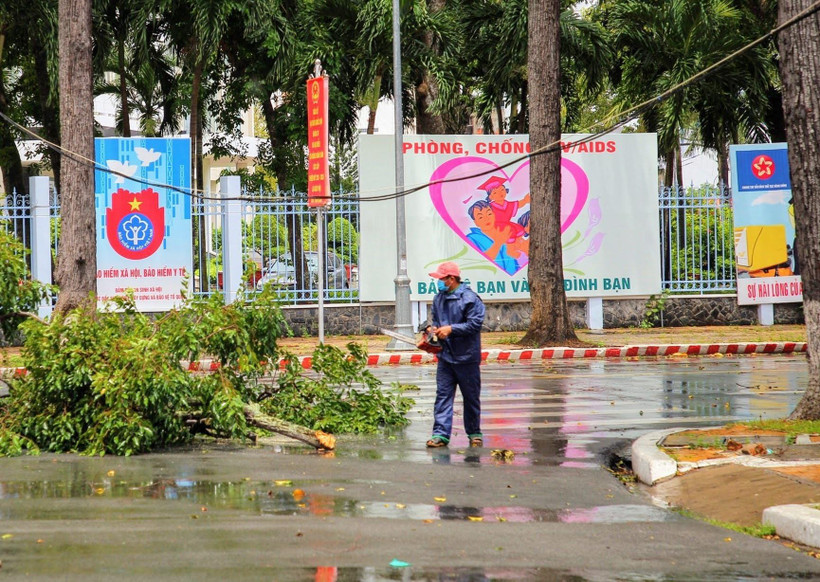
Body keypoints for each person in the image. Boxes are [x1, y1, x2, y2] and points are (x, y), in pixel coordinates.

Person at [421, 261, 486, 449]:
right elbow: (436, 321)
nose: (438, 283)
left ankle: (474, 433)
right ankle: (440, 434)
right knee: (442, 396)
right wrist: (431, 330)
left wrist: (451, 329)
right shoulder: (438, 298)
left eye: (441, 279)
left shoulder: (471, 299)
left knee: (471, 397)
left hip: (467, 357)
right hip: (445, 357)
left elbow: (474, 325)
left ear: (451, 279)